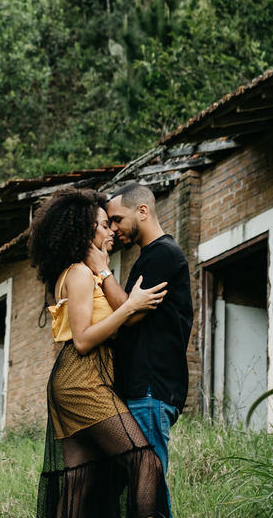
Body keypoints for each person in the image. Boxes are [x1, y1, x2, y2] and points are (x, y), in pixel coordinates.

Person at [30, 187, 171, 518]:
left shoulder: (86, 273)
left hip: (80, 379)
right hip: (81, 380)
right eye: (104, 224)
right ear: (84, 229)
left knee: (80, 481)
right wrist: (131, 306)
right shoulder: (79, 273)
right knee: (146, 462)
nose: (111, 231)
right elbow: (82, 340)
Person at [102, 183, 193, 515]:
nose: (113, 229)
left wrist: (101, 270)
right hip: (140, 390)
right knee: (139, 490)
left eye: (116, 219)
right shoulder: (149, 258)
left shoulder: (164, 255)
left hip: (151, 390)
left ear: (142, 211)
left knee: (148, 491)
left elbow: (131, 315)